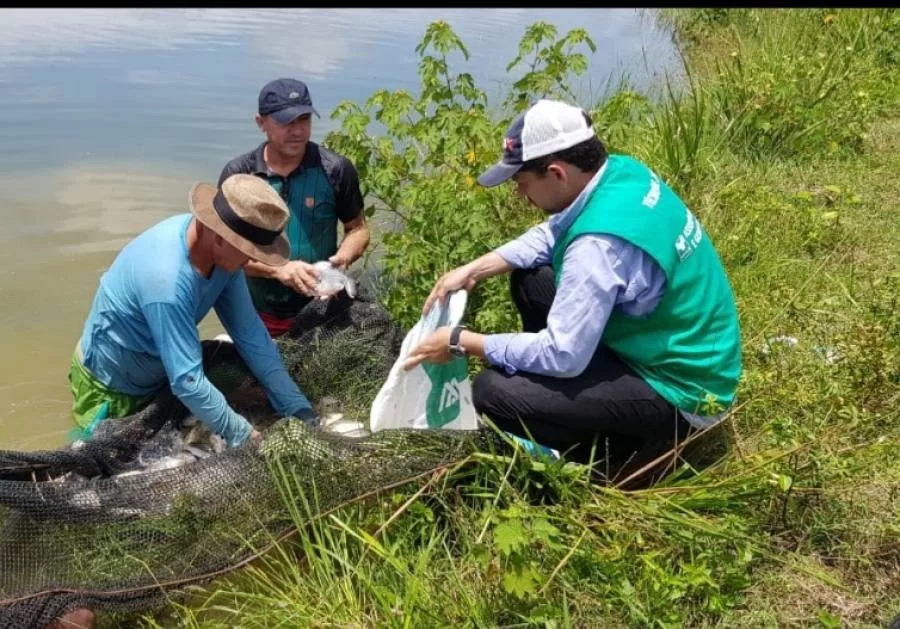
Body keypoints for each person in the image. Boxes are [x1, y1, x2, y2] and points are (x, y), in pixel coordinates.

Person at [404, 98, 742, 485]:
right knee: (532, 280)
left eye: (521, 183)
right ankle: (565, 404)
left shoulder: (596, 247)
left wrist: (462, 341)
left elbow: (563, 354)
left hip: (685, 391)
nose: (520, 196)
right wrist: (474, 269)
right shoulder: (621, 173)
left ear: (556, 173)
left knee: (492, 391)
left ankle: (604, 457)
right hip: (684, 348)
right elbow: (554, 231)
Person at [69, 173, 319, 452]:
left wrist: (298, 408)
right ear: (219, 236)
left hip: (161, 372)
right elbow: (188, 382)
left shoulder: (225, 262)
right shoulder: (167, 280)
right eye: (247, 251)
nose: (250, 260)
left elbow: (252, 337)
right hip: (110, 387)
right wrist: (247, 438)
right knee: (94, 462)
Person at [219, 77, 370, 337]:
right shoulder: (239, 176)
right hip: (254, 310)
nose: (297, 130)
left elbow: (358, 229)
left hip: (321, 308)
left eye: (304, 120)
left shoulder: (335, 169)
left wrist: (342, 259)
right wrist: (279, 270)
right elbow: (222, 249)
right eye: (286, 122)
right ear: (261, 123)